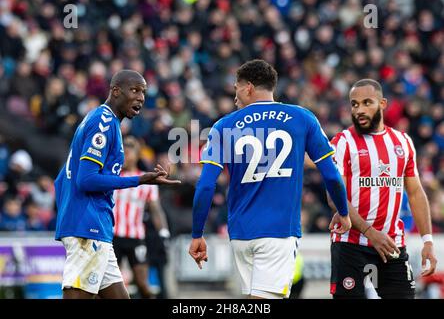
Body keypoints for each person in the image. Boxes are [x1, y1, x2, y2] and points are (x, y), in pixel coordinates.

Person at [188, 59, 351, 299]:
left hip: (241, 234)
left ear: (249, 88)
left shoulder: (223, 126)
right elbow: (331, 175)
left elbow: (205, 186)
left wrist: (197, 234)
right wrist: (343, 211)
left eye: (236, 89)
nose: (234, 97)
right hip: (278, 232)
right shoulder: (303, 118)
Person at [54, 70, 180, 299]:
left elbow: (62, 177)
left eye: (143, 92)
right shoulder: (103, 122)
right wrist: (138, 180)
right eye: (135, 90)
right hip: (88, 226)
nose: (141, 97)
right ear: (115, 91)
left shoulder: (105, 121)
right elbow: (86, 179)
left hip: (95, 225)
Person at [328, 78, 438, 299]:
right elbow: (334, 194)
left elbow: (415, 192)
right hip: (351, 245)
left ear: (383, 104)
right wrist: (369, 232)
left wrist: (427, 240)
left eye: (367, 102)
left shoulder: (403, 142)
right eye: (354, 104)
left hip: (392, 245)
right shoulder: (343, 142)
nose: (359, 109)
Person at [113, 135, 170, 299]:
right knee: (107, 283)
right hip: (113, 237)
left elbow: (155, 209)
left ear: (137, 155)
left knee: (142, 284)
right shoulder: (113, 176)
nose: (125, 156)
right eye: (123, 152)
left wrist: (163, 232)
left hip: (136, 237)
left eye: (128, 152)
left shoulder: (146, 179)